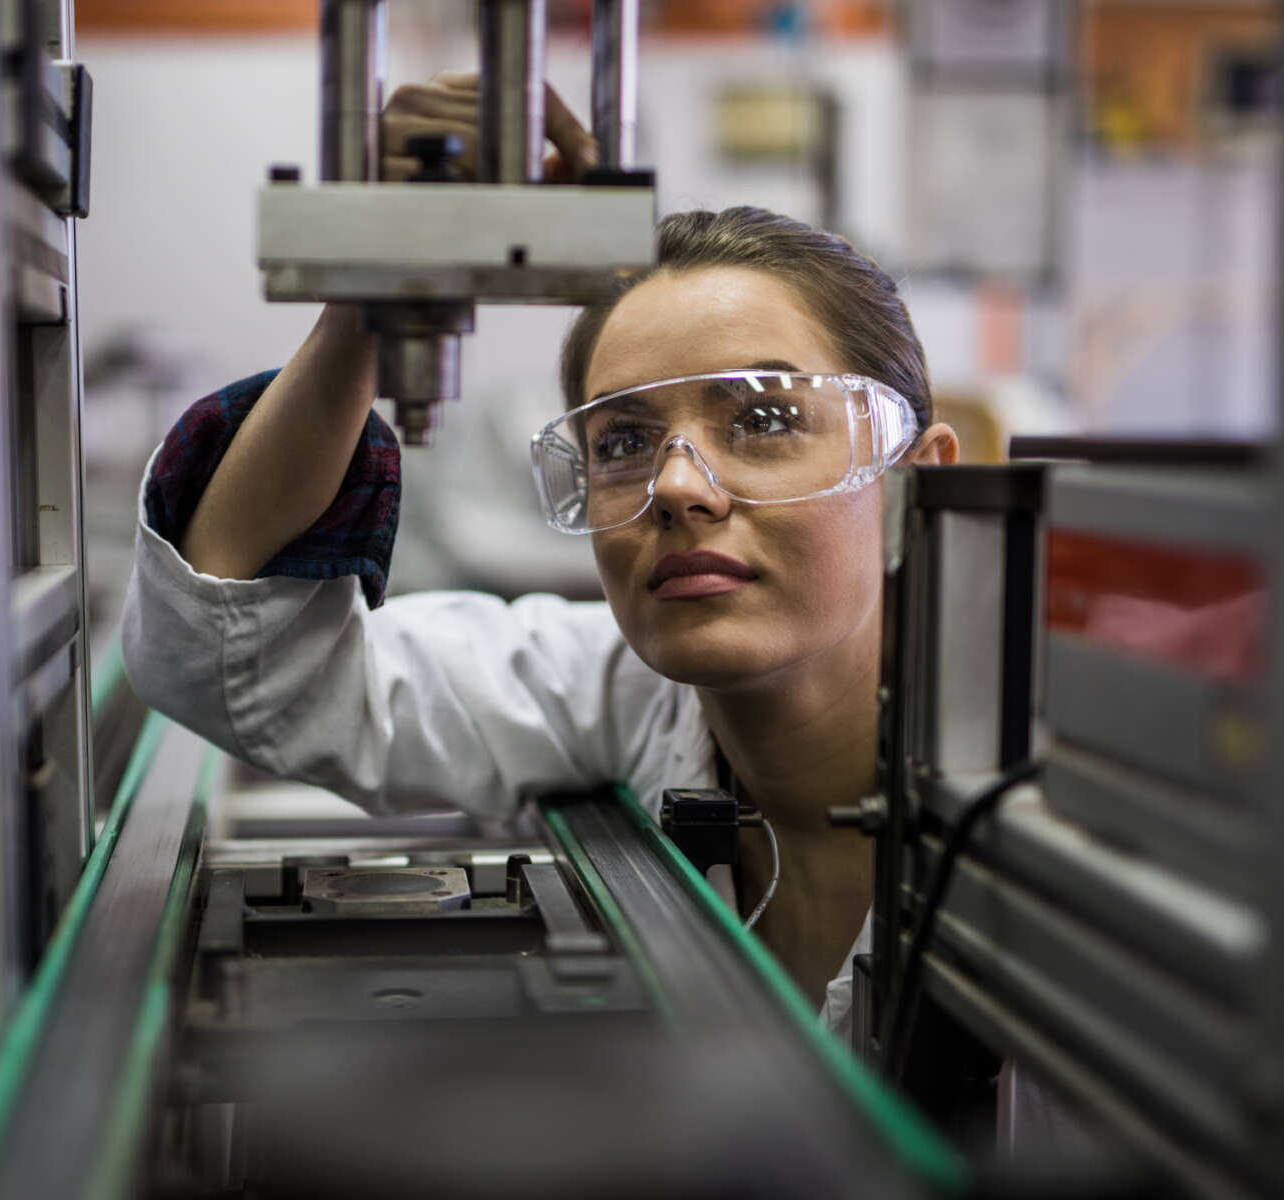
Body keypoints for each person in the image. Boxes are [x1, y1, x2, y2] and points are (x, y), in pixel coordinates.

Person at [122, 75, 959, 1031]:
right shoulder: (625, 697)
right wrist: (368, 295)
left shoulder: (1071, 804)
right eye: (622, 442)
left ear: (916, 487)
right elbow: (231, 662)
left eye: (764, 419)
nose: (679, 485)